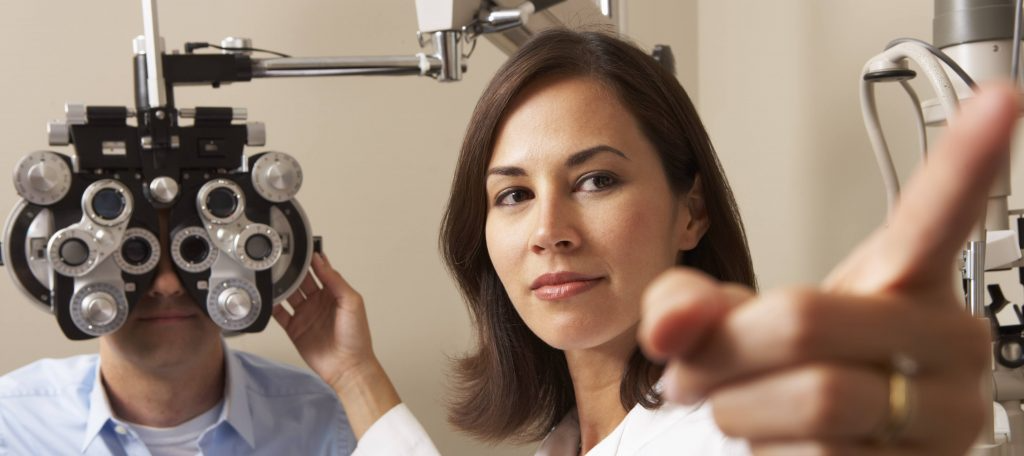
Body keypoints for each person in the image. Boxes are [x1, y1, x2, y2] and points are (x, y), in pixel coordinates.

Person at [276, 29, 1006, 455]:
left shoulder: (728, 427)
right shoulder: (569, 438)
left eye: (595, 181)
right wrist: (355, 375)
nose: (549, 231)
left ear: (691, 212)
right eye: (514, 195)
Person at [0, 212, 357, 455]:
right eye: (133, 254)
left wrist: (355, 376)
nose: (167, 285)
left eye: (195, 252)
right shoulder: (12, 423)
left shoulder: (322, 419)